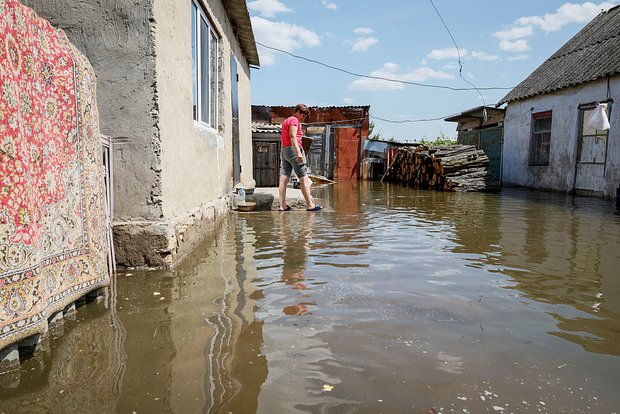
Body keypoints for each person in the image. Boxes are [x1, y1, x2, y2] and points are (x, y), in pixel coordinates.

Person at [278, 104, 322, 212]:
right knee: (303, 177)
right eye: (303, 115)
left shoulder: (286, 121)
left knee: (284, 177)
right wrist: (298, 152)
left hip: (285, 150)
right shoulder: (294, 121)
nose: (304, 117)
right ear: (298, 111)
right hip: (293, 150)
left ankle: (282, 206)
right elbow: (293, 137)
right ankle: (310, 205)